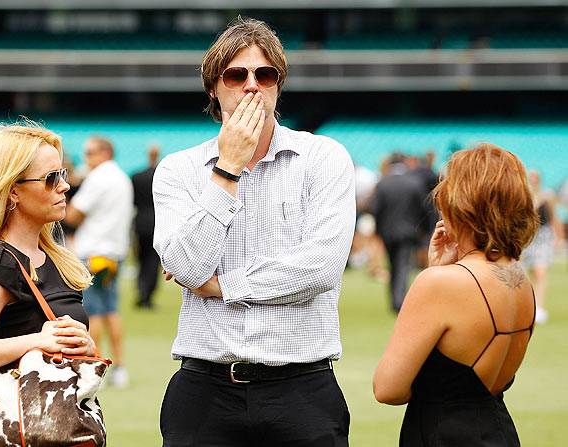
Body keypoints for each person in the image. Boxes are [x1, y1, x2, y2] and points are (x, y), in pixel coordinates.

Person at [153, 17, 355, 446]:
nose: (251, 86)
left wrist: (223, 285)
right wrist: (227, 170)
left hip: (302, 386)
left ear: (278, 85)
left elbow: (320, 268)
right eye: (236, 74)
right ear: (214, 87)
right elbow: (187, 266)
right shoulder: (178, 169)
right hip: (205, 389)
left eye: (265, 74)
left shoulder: (323, 157)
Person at [373, 143, 539, 446]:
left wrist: (434, 274)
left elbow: (387, 388)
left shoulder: (440, 284)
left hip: (444, 435)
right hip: (498, 432)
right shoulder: (520, 277)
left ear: (459, 203)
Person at [0, 122, 96, 380]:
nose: (64, 186)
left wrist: (87, 347)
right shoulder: (1, 261)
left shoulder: (57, 258)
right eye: (51, 178)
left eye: (63, 174)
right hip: (19, 417)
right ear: (13, 191)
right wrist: (39, 341)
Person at [64, 136, 133, 388]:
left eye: (90, 152)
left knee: (92, 313)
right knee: (111, 311)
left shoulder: (98, 177)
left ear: (104, 152)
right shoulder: (121, 177)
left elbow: (71, 215)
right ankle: (120, 368)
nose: (86, 158)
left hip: (92, 252)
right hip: (115, 251)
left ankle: (96, 365)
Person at [371, 152, 431, 311]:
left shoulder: (383, 183)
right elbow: (424, 209)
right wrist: (425, 230)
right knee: (403, 265)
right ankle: (399, 301)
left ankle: (394, 299)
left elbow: (375, 209)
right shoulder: (414, 182)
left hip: (387, 232)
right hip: (408, 231)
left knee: (393, 264)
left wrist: (378, 230)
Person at [520, 169, 563, 324]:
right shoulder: (525, 197)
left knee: (540, 271)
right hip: (529, 238)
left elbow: (553, 218)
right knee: (528, 272)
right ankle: (529, 306)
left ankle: (540, 307)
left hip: (544, 237)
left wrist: (558, 238)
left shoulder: (547, 196)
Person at [131, 143, 161, 308]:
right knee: (152, 262)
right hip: (156, 223)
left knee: (140, 260)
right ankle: (148, 295)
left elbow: (133, 200)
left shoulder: (137, 176)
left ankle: (141, 291)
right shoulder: (162, 175)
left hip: (140, 222)